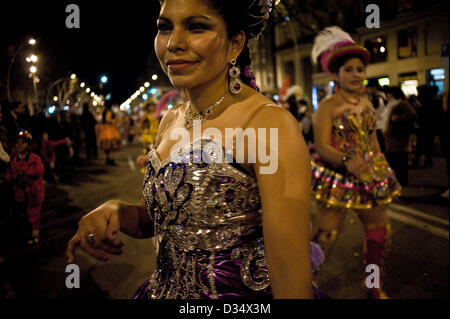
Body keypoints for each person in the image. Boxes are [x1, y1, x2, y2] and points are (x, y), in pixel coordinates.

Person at [67, 0, 325, 299]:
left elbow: (289, 276)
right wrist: (117, 211)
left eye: (196, 27)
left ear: (235, 44)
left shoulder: (268, 125)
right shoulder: (171, 118)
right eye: (164, 28)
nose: (174, 43)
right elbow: (168, 219)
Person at [309, 26, 401, 299]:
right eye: (348, 69)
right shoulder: (326, 107)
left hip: (369, 176)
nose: (356, 74)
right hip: (337, 177)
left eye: (360, 69)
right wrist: (348, 161)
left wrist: (379, 163)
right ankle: (307, 283)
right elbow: (323, 146)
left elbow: (373, 140)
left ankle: (372, 284)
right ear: (336, 74)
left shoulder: (368, 104)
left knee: (379, 232)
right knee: (327, 235)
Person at [4, 130, 45, 245]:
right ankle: (27, 234)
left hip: (34, 192)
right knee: (23, 215)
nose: (19, 145)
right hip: (20, 193)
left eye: (23, 142)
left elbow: (39, 171)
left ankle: (34, 235)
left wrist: (24, 172)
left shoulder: (35, 158)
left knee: (34, 215)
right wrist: (12, 177)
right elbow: (9, 174)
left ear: (29, 145)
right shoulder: (13, 160)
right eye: (17, 142)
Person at [383, 87, 417, 187]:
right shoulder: (391, 104)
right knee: (394, 159)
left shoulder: (402, 104)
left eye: (388, 93)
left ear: (393, 94)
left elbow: (413, 114)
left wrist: (397, 118)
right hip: (393, 137)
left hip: (399, 137)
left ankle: (402, 182)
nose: (387, 95)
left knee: (400, 160)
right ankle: (397, 181)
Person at [366, 79, 387, 153]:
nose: (367, 90)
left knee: (379, 148)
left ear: (373, 88)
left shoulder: (377, 98)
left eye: (368, 88)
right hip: (382, 125)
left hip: (378, 126)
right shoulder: (383, 96)